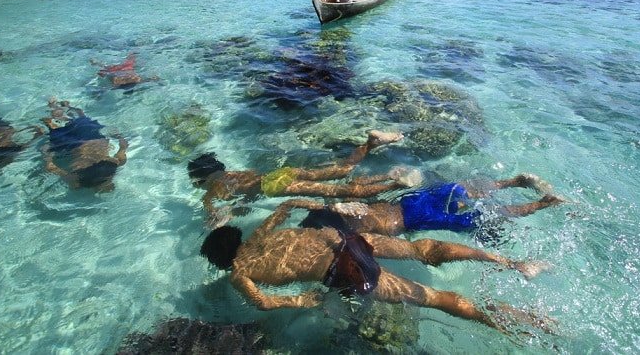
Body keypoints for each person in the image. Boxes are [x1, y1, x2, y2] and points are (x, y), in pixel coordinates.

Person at [200, 198, 553, 333]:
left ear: (220, 261)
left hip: (344, 273)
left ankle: (506, 324)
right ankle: (515, 263)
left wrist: (303, 301)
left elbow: (263, 302)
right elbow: (288, 204)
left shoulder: (239, 274)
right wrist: (334, 203)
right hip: (347, 241)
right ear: (236, 238)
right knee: (424, 248)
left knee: (433, 297)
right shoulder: (261, 233)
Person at [188, 130, 422, 227]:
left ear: (198, 181)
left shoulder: (211, 193)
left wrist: (225, 215)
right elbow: (249, 184)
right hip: (281, 174)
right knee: (340, 170)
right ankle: (371, 143)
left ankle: (394, 183)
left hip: (275, 185)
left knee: (339, 192)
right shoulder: (236, 172)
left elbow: (228, 212)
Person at [299, 174, 565, 238]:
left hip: (413, 219)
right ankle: (514, 181)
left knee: (480, 218)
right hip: (410, 200)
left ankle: (543, 204)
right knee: (465, 191)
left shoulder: (341, 235)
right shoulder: (342, 207)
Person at [41, 98, 128, 191]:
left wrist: (119, 137)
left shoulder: (114, 165)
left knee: (81, 118)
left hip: (93, 139)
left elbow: (123, 146)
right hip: (72, 145)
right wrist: (47, 154)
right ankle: (55, 106)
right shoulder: (78, 181)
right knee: (54, 126)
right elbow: (50, 167)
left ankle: (63, 106)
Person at [0, 96, 43, 167]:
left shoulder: (13, 150)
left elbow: (26, 144)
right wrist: (37, 134)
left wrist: (37, 134)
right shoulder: (12, 150)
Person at [91, 53, 159, 90]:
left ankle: (95, 62)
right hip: (122, 71)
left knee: (103, 67)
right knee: (103, 67)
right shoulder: (136, 79)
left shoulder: (135, 79)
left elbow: (102, 74)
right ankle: (95, 62)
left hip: (121, 72)